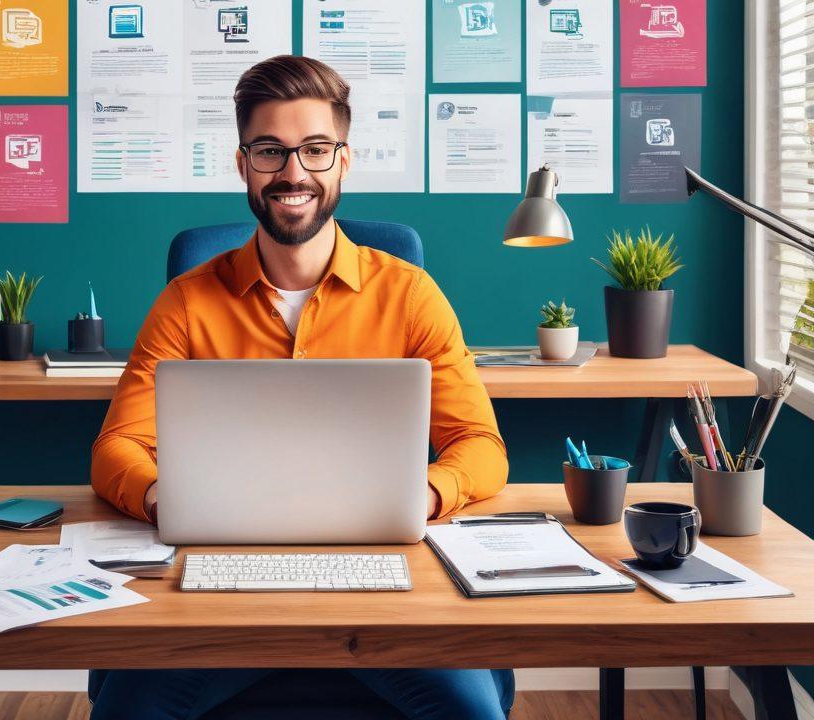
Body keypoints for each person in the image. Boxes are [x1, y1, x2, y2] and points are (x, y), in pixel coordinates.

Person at [91, 55, 513, 720]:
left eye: (315, 150)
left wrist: (427, 492)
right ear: (243, 165)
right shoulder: (186, 303)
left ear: (344, 161)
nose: (294, 172)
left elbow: (481, 446)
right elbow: (117, 448)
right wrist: (160, 495)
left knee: (473, 712)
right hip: (221, 593)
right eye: (271, 151)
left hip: (383, 593)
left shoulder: (410, 296)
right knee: (126, 710)